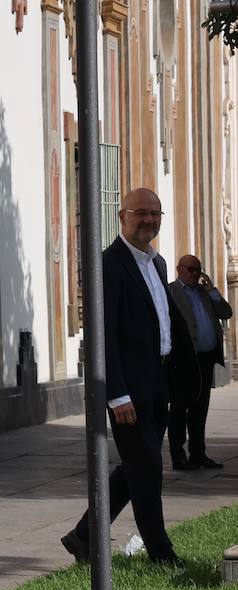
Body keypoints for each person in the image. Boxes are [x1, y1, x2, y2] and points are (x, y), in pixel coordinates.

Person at [60, 187, 197, 566]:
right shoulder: (109, 264)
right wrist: (116, 394)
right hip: (128, 393)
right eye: (141, 214)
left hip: (157, 384)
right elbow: (103, 335)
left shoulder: (158, 263)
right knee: (148, 469)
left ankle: (82, 536)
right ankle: (161, 554)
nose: (149, 221)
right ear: (123, 217)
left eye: (155, 214)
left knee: (136, 466)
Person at [167, 254, 231, 470]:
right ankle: (179, 455)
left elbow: (226, 313)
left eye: (198, 270)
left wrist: (212, 290)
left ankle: (198, 453)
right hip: (183, 361)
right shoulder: (171, 292)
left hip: (205, 360)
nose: (196, 274)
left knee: (200, 410)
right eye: (191, 270)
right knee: (179, 410)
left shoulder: (205, 293)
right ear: (179, 269)